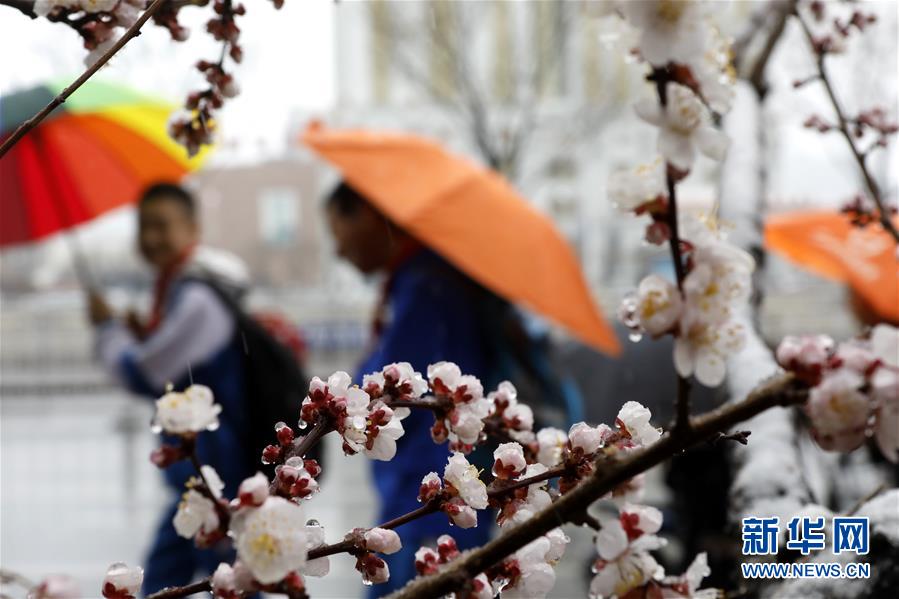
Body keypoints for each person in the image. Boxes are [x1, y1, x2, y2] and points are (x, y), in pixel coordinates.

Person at [325, 181, 579, 595]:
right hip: (448, 484)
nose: (338, 250)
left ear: (369, 214)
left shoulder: (425, 284)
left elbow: (401, 386)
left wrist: (347, 394)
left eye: (337, 229)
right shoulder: (427, 276)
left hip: (431, 491)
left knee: (415, 585)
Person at [86, 182, 254, 595]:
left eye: (161, 225)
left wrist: (108, 330)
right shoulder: (177, 292)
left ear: (193, 228)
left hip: (216, 472)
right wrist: (145, 335)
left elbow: (144, 373)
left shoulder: (198, 296)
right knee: (178, 578)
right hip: (199, 472)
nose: (150, 238)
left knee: (227, 581)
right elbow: (175, 367)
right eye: (143, 227)